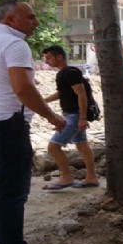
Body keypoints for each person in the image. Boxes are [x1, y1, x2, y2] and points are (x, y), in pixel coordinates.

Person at [0, 0, 65, 244]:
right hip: (7, 126)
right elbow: (22, 89)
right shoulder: (15, 45)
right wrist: (52, 117)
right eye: (31, 17)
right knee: (13, 193)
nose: (36, 22)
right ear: (11, 19)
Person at [42, 45, 99, 190]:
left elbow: (81, 95)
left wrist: (82, 118)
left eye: (49, 57)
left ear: (59, 57)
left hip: (74, 116)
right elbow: (63, 94)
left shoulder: (69, 73)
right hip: (73, 115)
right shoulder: (64, 74)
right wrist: (42, 102)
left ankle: (67, 177)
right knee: (82, 146)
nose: (46, 61)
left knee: (53, 147)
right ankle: (91, 177)